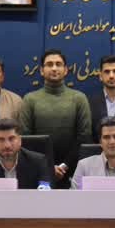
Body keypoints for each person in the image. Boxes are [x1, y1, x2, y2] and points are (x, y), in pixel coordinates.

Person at [20, 49, 92, 187]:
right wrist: (48, 166)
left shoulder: (79, 98)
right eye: (49, 64)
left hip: (72, 170)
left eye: (58, 64)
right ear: (42, 70)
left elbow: (84, 137)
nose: (54, 68)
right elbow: (26, 138)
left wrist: (64, 166)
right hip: (39, 170)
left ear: (65, 70)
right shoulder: (30, 99)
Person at [0, 118, 52, 189]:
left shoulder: (37, 161)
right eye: (1, 140)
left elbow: (46, 191)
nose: (7, 145)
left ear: (19, 140)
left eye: (11, 139)